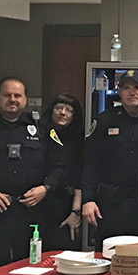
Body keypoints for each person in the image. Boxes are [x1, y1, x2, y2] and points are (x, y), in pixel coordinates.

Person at [0, 77, 65, 275]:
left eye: (17, 95)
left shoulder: (42, 128)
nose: (12, 99)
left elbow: (60, 167)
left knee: (31, 271)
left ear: (25, 99)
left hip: (31, 212)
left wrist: (45, 189)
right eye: (7, 95)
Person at [82, 69, 138, 245]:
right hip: (110, 204)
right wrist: (87, 200)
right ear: (119, 92)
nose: (131, 92)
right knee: (106, 257)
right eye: (126, 87)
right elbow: (90, 162)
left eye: (137, 87)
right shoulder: (105, 121)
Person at [40, 93, 85, 251]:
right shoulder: (37, 134)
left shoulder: (79, 140)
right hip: (39, 201)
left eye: (69, 110)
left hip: (66, 203)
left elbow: (81, 177)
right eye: (58, 108)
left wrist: (76, 212)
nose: (63, 112)